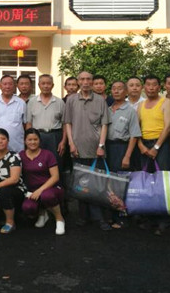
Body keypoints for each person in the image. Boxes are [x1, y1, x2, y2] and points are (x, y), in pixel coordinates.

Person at [64, 71, 111, 230]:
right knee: (81, 184)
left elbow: (104, 124)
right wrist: (71, 144)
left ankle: (100, 218)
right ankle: (83, 216)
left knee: (98, 185)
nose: (85, 82)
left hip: (96, 150)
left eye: (88, 79)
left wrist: (101, 146)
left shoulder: (100, 100)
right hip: (77, 149)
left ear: (92, 81)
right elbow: (68, 123)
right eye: (82, 79)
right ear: (78, 81)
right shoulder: (71, 100)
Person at [136, 75, 170, 235]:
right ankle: (150, 218)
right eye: (148, 85)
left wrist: (156, 147)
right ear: (144, 87)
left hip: (161, 145)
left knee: (162, 182)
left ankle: (164, 220)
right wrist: (141, 145)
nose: (151, 88)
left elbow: (168, 127)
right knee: (147, 182)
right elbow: (136, 128)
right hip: (144, 145)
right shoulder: (141, 105)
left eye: (154, 85)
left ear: (159, 87)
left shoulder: (166, 102)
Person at [107, 80, 141, 228]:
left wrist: (127, 156)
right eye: (114, 88)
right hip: (108, 148)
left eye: (120, 88)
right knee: (110, 182)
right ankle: (112, 214)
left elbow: (134, 135)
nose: (116, 91)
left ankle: (122, 217)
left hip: (122, 148)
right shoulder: (108, 109)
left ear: (126, 92)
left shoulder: (130, 111)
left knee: (121, 183)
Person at [20, 128, 65, 235]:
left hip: (51, 188)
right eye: (30, 140)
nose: (33, 142)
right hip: (32, 191)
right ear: (25, 141)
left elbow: (55, 177)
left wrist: (40, 191)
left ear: (40, 140)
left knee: (46, 196)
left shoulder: (47, 154)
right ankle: (42, 213)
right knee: (28, 207)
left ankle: (59, 219)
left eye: (35, 139)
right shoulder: (21, 155)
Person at [25, 74, 66, 173]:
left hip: (55, 136)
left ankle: (56, 182)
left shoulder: (60, 102)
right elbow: (29, 123)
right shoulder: (32, 102)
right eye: (43, 83)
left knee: (55, 164)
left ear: (53, 85)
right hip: (37, 137)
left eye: (48, 83)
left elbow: (65, 124)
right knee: (38, 164)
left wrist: (63, 141)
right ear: (39, 85)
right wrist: (29, 140)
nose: (46, 86)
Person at [0, 129, 26, 234]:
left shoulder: (14, 156)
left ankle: (10, 222)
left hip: (15, 189)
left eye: (3, 139)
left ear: (8, 141)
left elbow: (14, 179)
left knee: (5, 191)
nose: (0, 141)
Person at [0, 75, 27, 153]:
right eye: (5, 84)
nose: (7, 86)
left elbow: (25, 124)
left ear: (14, 86)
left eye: (10, 84)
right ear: (0, 86)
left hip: (17, 146)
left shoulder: (21, 103)